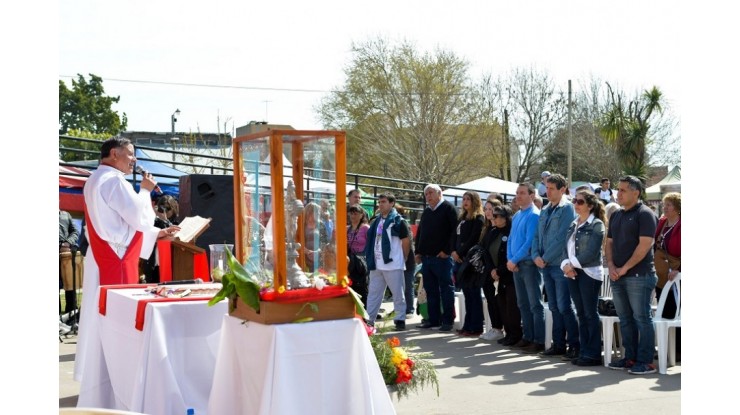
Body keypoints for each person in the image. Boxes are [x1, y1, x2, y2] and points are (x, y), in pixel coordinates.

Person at [74, 136, 180, 382]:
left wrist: (157, 233)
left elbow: (117, 226)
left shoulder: (95, 179)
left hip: (105, 252)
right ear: (114, 153)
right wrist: (145, 190)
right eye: (130, 154)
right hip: (116, 257)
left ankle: (98, 373)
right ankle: (117, 375)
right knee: (116, 317)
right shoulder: (113, 181)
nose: (134, 160)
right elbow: (139, 219)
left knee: (97, 314)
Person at [606, 175, 658, 375]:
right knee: (625, 318)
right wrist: (611, 265)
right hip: (618, 275)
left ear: (636, 193)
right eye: (617, 190)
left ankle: (646, 362)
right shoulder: (616, 215)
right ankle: (630, 358)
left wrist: (625, 268)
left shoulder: (645, 214)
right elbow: (608, 243)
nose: (618, 193)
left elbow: (645, 245)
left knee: (641, 318)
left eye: (623, 190)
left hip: (639, 276)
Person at [531, 173, 579, 360]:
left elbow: (562, 237)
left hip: (560, 264)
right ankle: (558, 344)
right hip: (545, 264)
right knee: (553, 306)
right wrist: (536, 255)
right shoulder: (545, 209)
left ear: (562, 189)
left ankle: (574, 345)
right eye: (546, 188)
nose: (547, 192)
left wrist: (545, 257)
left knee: (565, 306)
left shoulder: (567, 209)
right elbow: (537, 235)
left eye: (551, 189)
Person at [561, 190, 606, 366]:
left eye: (580, 201)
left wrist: (571, 265)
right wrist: (565, 264)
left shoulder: (597, 224)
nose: (576, 204)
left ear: (590, 205)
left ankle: (593, 354)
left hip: (589, 273)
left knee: (589, 313)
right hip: (573, 272)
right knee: (581, 313)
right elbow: (566, 247)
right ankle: (584, 351)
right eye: (575, 201)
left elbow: (592, 251)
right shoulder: (573, 224)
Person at [415, 184, 458, 332]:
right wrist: (418, 251)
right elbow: (420, 232)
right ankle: (434, 320)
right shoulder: (427, 212)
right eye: (426, 194)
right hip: (426, 258)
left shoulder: (448, 208)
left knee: (446, 289)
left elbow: (454, 232)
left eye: (431, 193)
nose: (428, 196)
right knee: (430, 290)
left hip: (442, 258)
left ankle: (447, 320)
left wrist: (447, 250)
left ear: (439, 193)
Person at [507, 183, 544, 353]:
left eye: (522, 193)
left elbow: (530, 243)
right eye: (517, 193)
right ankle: (527, 336)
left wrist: (513, 260)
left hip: (528, 264)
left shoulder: (534, 215)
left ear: (532, 195)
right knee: (522, 303)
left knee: (534, 303)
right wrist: (510, 259)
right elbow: (511, 239)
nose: (518, 196)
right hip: (517, 265)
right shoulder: (516, 216)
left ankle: (538, 340)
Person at [364, 193, 410, 330]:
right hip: (376, 263)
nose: (380, 204)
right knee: (373, 293)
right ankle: (369, 320)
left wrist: (404, 256)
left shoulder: (398, 220)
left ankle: (400, 319)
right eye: (379, 202)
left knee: (397, 293)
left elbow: (406, 240)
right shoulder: (376, 220)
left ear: (392, 203)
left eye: (383, 201)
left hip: (393, 263)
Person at [452, 192, 486, 336]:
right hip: (459, 259)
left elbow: (473, 238)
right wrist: (453, 251)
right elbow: (454, 236)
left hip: (470, 261)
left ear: (475, 201)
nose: (465, 202)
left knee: (474, 293)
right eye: (464, 199)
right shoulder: (461, 218)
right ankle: (467, 324)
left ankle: (476, 326)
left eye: (468, 199)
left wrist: (460, 252)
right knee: (466, 293)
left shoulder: (478, 218)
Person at [477, 202, 511, 342]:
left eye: (496, 215)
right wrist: (492, 269)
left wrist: (500, 271)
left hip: (506, 273)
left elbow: (509, 254)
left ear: (505, 217)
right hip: (491, 273)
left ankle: (510, 332)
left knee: (506, 303)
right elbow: (485, 251)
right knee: (492, 300)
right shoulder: (492, 231)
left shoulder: (510, 232)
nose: (493, 218)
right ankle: (496, 328)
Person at [653, 192, 681, 360]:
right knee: (664, 311)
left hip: (678, 275)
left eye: (668, 205)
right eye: (664, 205)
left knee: (677, 312)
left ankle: (678, 350)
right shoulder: (662, 222)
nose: (665, 208)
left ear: (677, 208)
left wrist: (679, 269)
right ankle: (666, 348)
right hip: (662, 274)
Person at [142, 195, 180, 283]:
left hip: (168, 260)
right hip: (153, 261)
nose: (165, 211)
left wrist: (165, 220)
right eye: (163, 208)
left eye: (168, 208)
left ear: (173, 208)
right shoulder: (153, 221)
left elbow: (172, 233)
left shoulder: (174, 222)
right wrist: (157, 217)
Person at [59, 210, 81, 333]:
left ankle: (71, 318)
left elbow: (75, 231)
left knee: (71, 287)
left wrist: (68, 242)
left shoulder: (66, 215)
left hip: (67, 253)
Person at [395, 203, 417, 317]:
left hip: (407, 260)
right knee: (398, 286)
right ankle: (399, 308)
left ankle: (409, 309)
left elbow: (407, 241)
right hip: (397, 260)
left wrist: (405, 256)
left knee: (408, 285)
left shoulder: (402, 223)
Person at [347, 203, 370, 306]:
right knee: (352, 284)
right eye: (351, 213)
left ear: (361, 215)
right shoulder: (347, 229)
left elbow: (371, 245)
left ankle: (366, 308)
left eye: (356, 213)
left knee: (363, 285)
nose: (353, 216)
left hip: (362, 260)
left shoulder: (366, 228)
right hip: (351, 261)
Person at [303, 201, 330, 273]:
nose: (318, 214)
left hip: (318, 258)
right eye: (316, 212)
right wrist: (305, 250)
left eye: (318, 212)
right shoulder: (301, 224)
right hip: (303, 259)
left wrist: (318, 251)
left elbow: (325, 241)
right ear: (309, 212)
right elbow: (296, 240)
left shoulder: (321, 224)